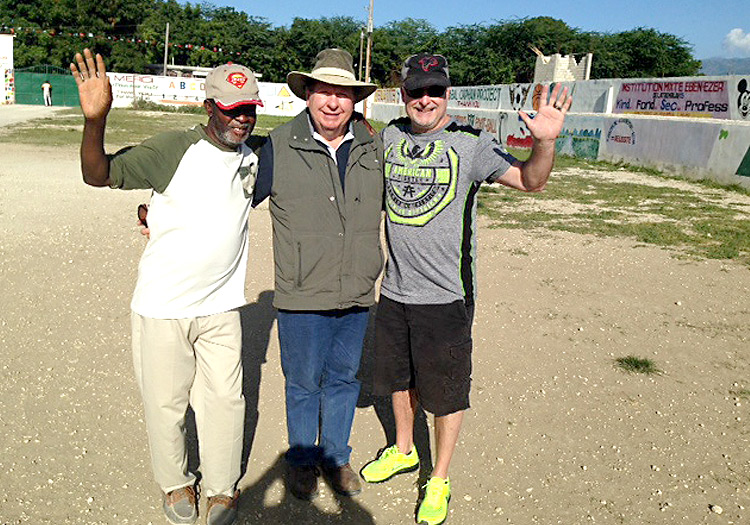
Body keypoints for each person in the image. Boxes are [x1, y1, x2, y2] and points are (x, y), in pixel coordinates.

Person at [360, 53, 572, 525]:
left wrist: (546, 143)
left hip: (447, 296)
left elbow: (531, 181)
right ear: (403, 94)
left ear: (448, 95)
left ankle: (439, 477)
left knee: (445, 392)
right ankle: (402, 450)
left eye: (435, 90)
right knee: (398, 380)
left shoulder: (472, 144)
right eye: (417, 90)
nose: (426, 99)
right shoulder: (390, 137)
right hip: (394, 290)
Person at [70, 48, 263, 525]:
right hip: (163, 307)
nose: (241, 118)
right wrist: (96, 121)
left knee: (224, 401)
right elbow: (98, 174)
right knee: (166, 404)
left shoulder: (254, 159)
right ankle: (175, 481)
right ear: (209, 107)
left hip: (221, 307)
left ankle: (220, 488)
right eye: (231, 108)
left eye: (249, 108)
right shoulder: (173, 149)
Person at [250, 48, 384, 501]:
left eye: (342, 93)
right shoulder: (276, 146)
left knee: (345, 378)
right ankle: (304, 461)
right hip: (301, 294)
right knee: (304, 382)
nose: (332, 102)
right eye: (323, 91)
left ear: (354, 100)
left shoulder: (372, 145)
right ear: (306, 94)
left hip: (356, 292)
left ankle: (337, 458)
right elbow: (223, 193)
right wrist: (161, 208)